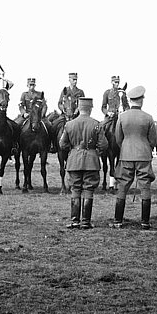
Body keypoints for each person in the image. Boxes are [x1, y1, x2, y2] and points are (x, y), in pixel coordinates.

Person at [110, 86, 157, 230]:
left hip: (126, 155)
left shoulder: (122, 117)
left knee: (123, 186)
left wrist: (125, 147)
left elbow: (118, 138)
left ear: (130, 100)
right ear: (141, 100)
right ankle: (145, 222)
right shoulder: (148, 117)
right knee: (145, 187)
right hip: (144, 155)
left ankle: (118, 221)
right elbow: (153, 140)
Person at [60, 97, 108, 229]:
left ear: (78, 108)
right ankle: (86, 222)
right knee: (88, 189)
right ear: (90, 109)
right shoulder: (97, 124)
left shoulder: (69, 124)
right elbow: (104, 145)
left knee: (75, 188)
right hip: (91, 161)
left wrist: (73, 151)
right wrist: (96, 153)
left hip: (74, 160)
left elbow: (62, 144)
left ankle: (75, 221)